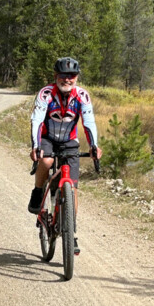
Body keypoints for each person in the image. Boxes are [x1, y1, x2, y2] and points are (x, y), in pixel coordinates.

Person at [28, 58, 103, 239]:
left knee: (73, 187)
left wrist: (94, 146)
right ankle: (38, 191)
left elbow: (89, 122)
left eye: (71, 76)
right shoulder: (46, 93)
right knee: (46, 161)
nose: (67, 80)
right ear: (56, 76)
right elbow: (37, 120)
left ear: (76, 77)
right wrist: (36, 146)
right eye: (63, 76)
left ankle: (71, 232)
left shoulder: (82, 96)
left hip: (69, 141)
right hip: (47, 138)